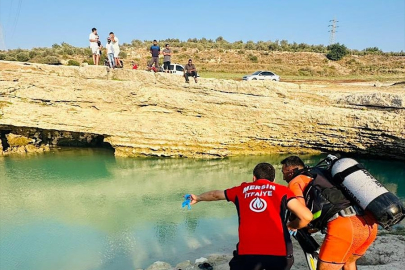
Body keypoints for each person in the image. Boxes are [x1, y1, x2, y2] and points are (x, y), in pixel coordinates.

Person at [188, 163, 313, 270]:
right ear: (273, 180)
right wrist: (291, 226)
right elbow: (307, 217)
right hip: (280, 255)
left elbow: (215, 194)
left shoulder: (241, 190)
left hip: (248, 255)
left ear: (254, 178)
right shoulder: (281, 191)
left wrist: (198, 198)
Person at [281, 156, 378, 270]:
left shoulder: (295, 181)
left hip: (344, 227)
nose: (283, 178)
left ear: (290, 170)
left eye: (283, 172)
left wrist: (290, 226)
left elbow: (304, 217)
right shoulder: (323, 174)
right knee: (348, 263)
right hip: (369, 225)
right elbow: (331, 205)